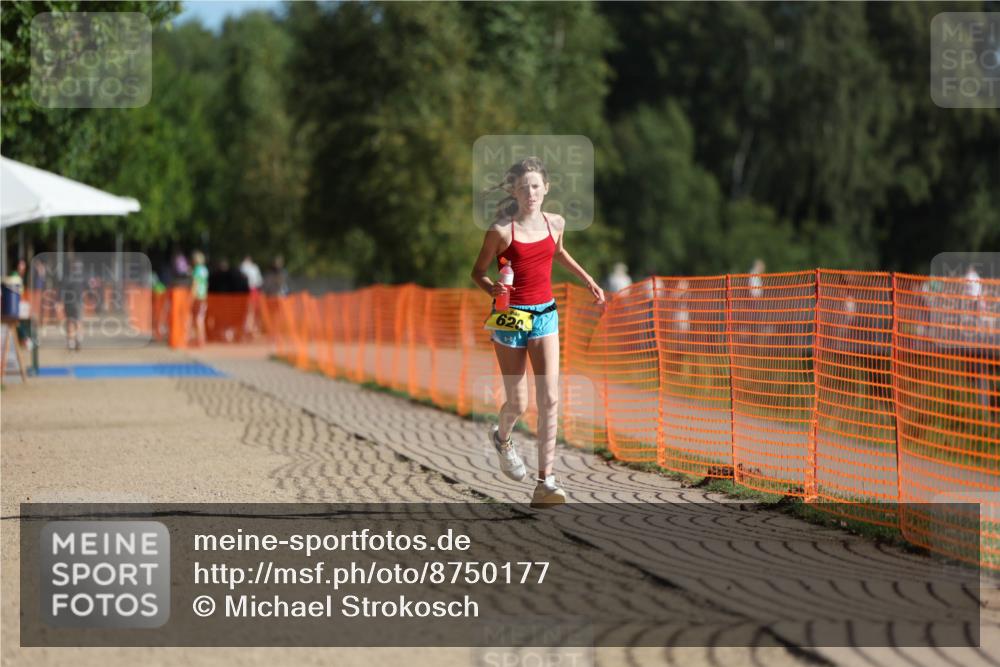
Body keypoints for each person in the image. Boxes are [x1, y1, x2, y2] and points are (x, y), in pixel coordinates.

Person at [471, 156, 605, 508]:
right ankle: (502, 439)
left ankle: (546, 482)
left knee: (550, 399)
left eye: (535, 186)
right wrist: (492, 290)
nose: (530, 192)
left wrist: (588, 279)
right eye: (523, 187)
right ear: (514, 192)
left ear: (546, 189)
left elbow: (558, 252)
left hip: (545, 315)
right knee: (519, 402)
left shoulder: (555, 223)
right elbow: (478, 272)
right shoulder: (501, 230)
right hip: (510, 317)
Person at [240, 255, 264, 338]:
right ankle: (249, 329)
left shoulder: (243, 267)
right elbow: (259, 282)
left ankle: (249, 329)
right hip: (251, 291)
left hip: (249, 291)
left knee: (250, 311)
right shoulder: (252, 268)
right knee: (251, 312)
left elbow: (258, 282)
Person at [191, 250, 209, 347]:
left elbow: (195, 283)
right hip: (203, 296)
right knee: (201, 318)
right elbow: (206, 284)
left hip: (197, 296)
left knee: (197, 319)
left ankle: (199, 340)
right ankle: (201, 339)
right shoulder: (205, 270)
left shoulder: (197, 269)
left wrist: (192, 296)